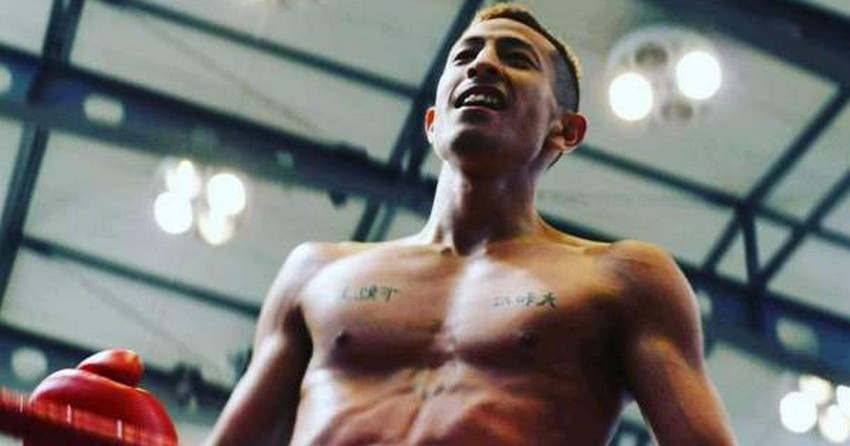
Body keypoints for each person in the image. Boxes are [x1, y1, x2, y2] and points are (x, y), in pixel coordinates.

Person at [205, 4, 737, 445]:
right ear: (432, 122)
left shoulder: (623, 279)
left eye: (516, 58)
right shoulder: (315, 272)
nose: (483, 64)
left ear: (566, 130)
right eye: (465, 55)